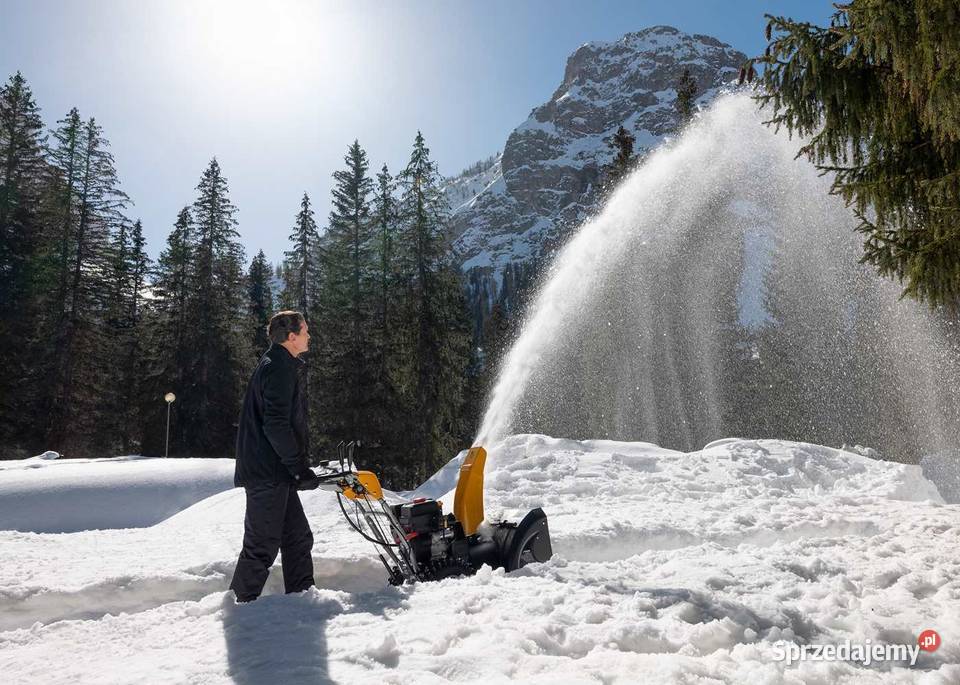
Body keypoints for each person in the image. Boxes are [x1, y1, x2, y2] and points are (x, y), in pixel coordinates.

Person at [229, 310, 321, 602]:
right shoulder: (278, 367)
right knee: (260, 546)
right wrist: (297, 467)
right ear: (292, 337)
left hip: (275, 472)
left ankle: (301, 600)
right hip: (268, 473)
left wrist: (296, 469)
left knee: (297, 538)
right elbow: (275, 424)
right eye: (305, 331)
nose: (309, 335)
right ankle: (239, 607)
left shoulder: (279, 364)